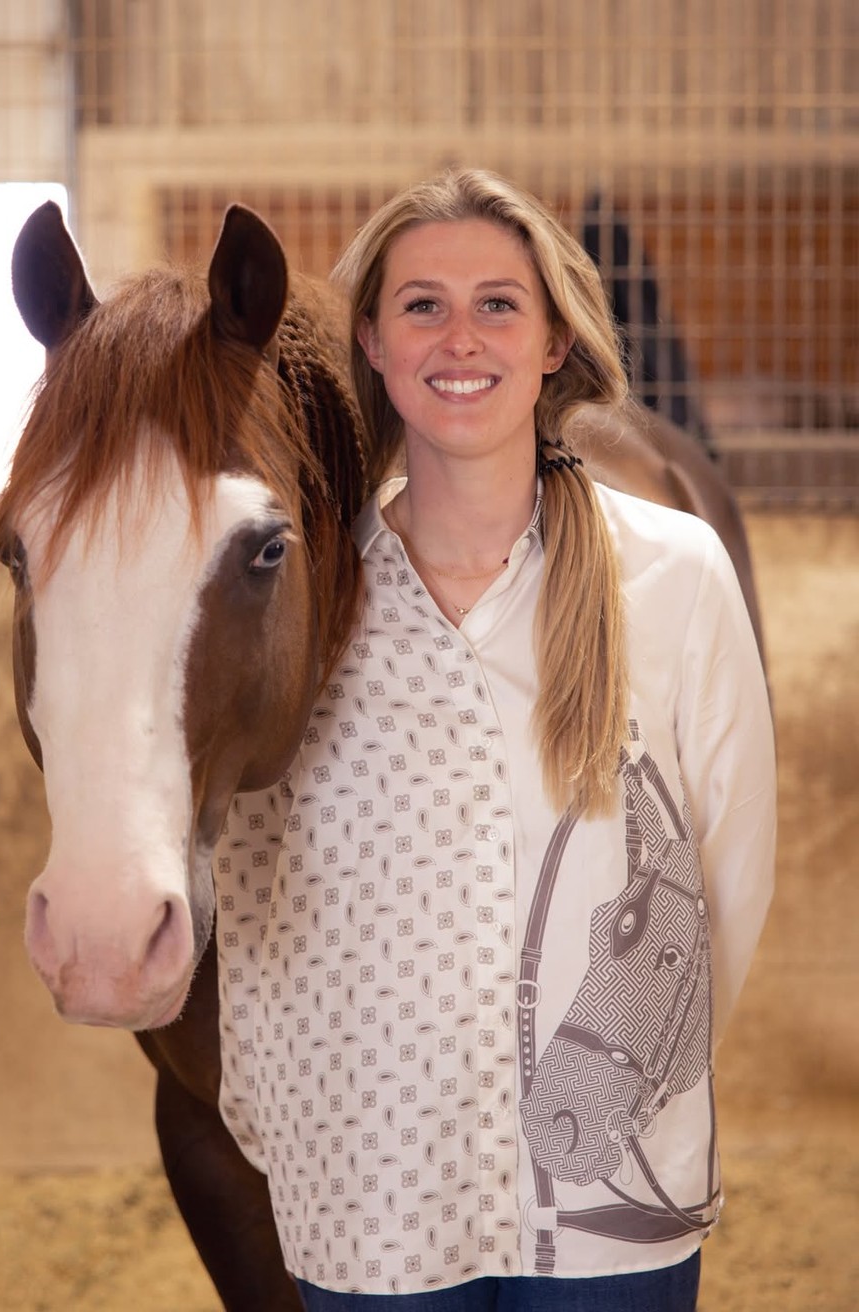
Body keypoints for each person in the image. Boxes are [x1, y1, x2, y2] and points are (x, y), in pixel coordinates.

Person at [214, 169, 776, 1310]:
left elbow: (730, 873)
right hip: (371, 1194)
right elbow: (255, 883)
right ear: (370, 339)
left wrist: (633, 1090)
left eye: (498, 304)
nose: (458, 336)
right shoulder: (311, 599)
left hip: (609, 1213)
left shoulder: (673, 576)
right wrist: (292, 1131)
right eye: (421, 304)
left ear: (556, 336)